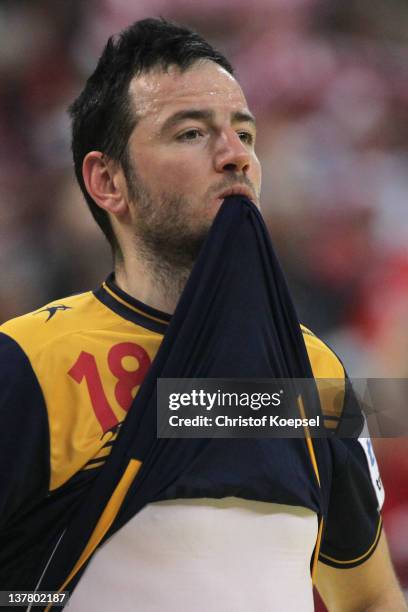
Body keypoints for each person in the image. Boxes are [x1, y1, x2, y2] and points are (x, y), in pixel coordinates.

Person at [0, 17, 406, 612]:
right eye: (191, 133)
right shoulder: (26, 364)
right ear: (108, 181)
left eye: (246, 134)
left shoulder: (315, 374)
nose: (234, 157)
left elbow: (370, 598)